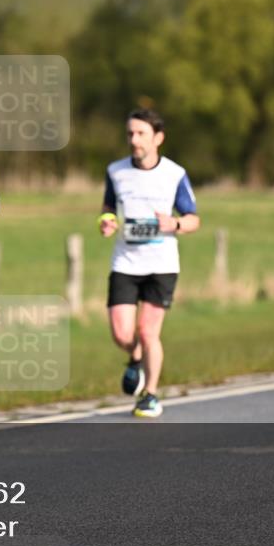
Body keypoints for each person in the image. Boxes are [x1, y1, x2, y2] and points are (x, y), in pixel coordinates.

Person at [98, 108, 200, 418]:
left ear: (158, 138)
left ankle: (150, 394)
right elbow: (107, 207)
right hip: (126, 263)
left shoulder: (174, 174)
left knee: (148, 331)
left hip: (162, 264)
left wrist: (176, 224)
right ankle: (136, 357)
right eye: (130, 133)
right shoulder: (116, 171)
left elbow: (194, 219)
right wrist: (106, 221)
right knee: (122, 334)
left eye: (141, 133)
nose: (134, 139)